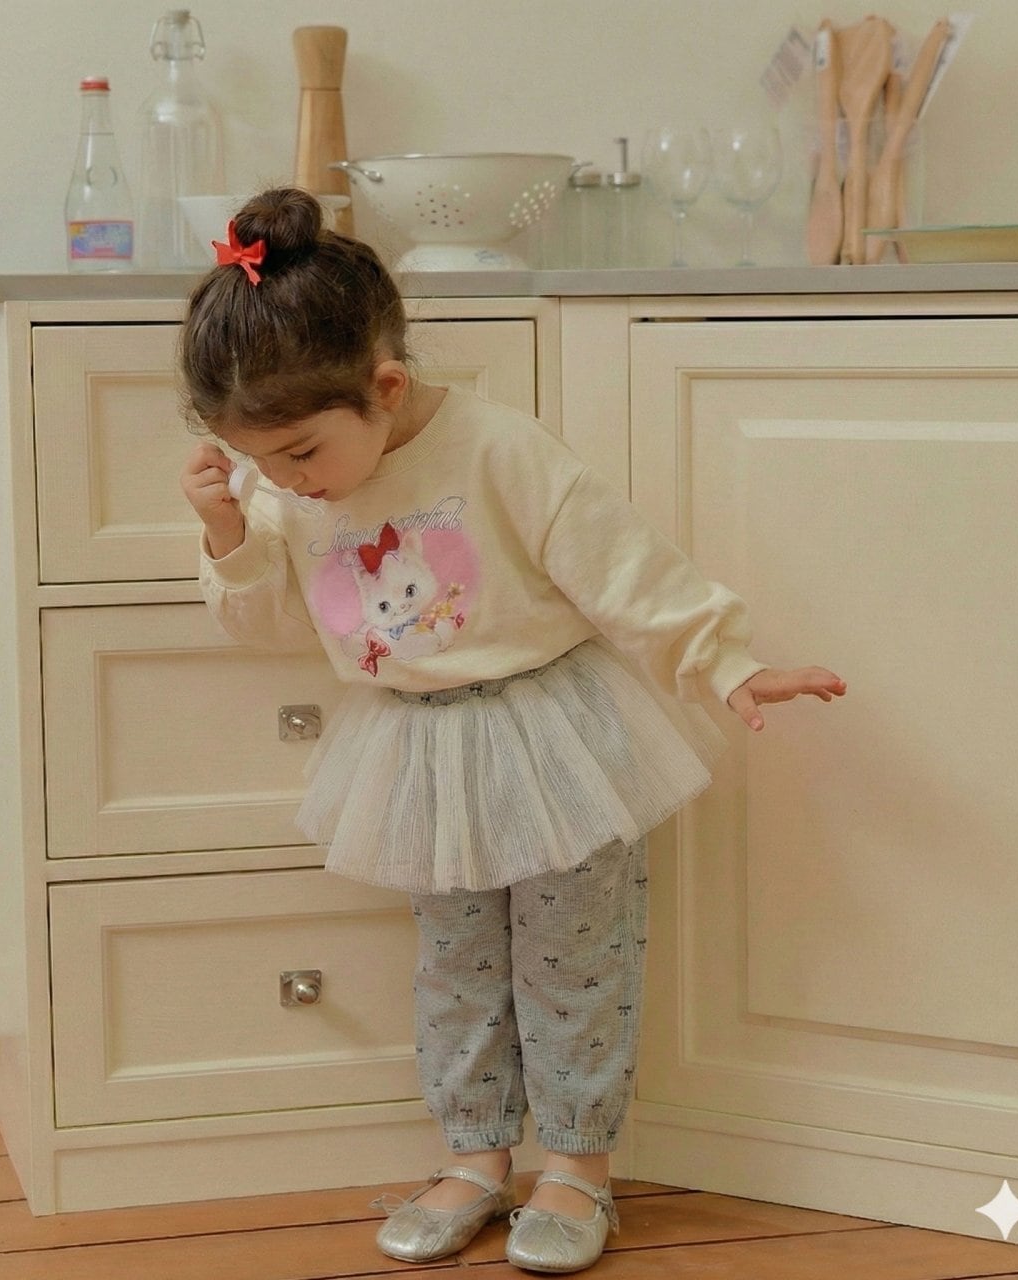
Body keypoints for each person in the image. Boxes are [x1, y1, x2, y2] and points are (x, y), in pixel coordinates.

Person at [178, 187, 845, 1274]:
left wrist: (727, 662)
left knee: (575, 962)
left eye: (301, 454)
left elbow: (623, 567)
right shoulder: (280, 488)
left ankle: (577, 1166)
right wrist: (227, 532)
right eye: (264, 462)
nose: (290, 482)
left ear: (385, 389)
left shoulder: (498, 448)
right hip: (418, 750)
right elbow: (263, 625)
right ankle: (474, 1158)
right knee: (456, 967)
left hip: (553, 737)